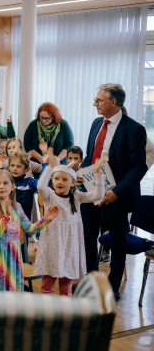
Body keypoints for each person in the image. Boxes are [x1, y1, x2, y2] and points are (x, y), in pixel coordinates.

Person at [79, 83, 148, 300]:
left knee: (117, 243)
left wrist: (117, 192)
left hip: (116, 197)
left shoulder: (134, 129)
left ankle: (112, 287)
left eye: (98, 100)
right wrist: (81, 168)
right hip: (91, 192)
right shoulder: (96, 123)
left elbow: (139, 166)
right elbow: (91, 156)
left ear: (113, 102)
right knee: (88, 238)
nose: (94, 104)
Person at [35, 150, 105, 297]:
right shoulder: (49, 195)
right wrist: (49, 167)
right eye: (56, 179)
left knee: (66, 289)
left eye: (64, 180)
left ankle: (65, 315)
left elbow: (98, 195)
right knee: (47, 287)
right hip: (51, 245)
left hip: (70, 246)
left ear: (73, 182)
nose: (60, 182)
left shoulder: (76, 196)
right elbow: (40, 186)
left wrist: (98, 174)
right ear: (52, 180)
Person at [0, 170, 59, 292]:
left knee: (12, 287)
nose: (1, 186)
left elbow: (29, 229)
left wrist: (45, 219)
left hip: (13, 252)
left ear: (12, 186)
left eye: (5, 183)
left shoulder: (17, 207)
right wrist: (6, 216)